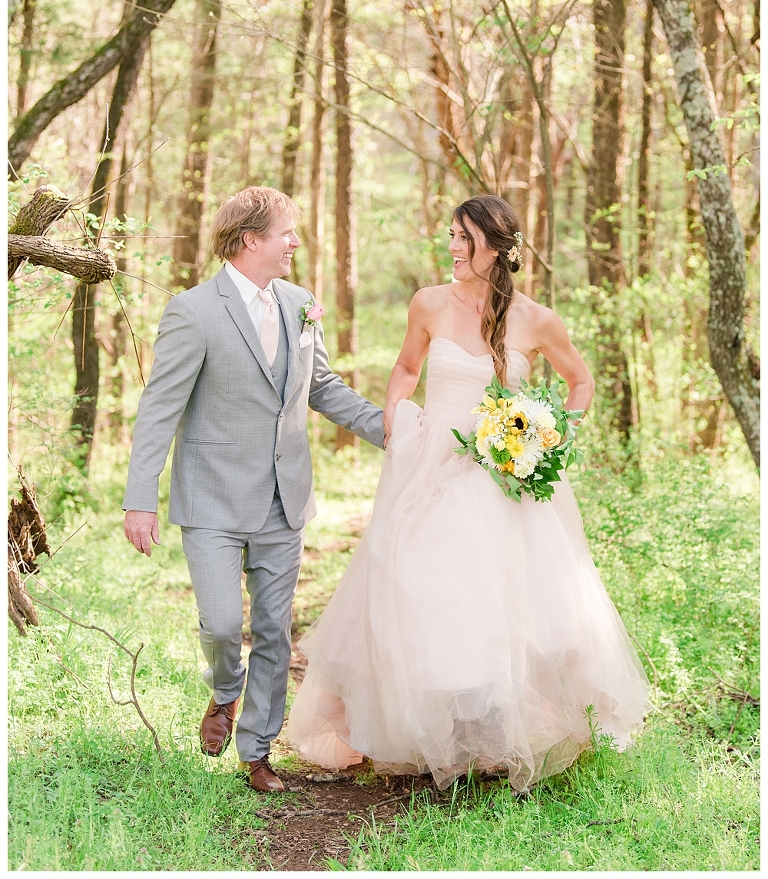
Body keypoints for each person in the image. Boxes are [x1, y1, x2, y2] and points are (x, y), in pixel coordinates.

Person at [286, 194, 649, 790]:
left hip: (506, 480)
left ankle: (497, 735)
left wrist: (553, 436)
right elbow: (406, 368)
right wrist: (395, 415)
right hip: (434, 468)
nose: (452, 248)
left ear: (496, 248)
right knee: (420, 585)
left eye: (463, 238)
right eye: (451, 236)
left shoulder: (537, 320)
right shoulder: (428, 303)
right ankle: (438, 732)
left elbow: (579, 382)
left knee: (503, 602)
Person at [122, 186, 385, 793]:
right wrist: (141, 498)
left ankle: (257, 752)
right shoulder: (194, 311)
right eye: (286, 233)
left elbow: (323, 389)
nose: (296, 243)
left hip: (283, 498)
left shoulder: (300, 304)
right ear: (249, 240)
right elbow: (159, 409)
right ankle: (224, 692)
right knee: (220, 625)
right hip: (211, 498)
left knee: (273, 629)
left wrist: (391, 428)